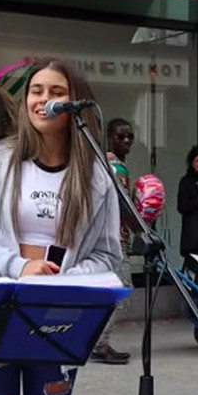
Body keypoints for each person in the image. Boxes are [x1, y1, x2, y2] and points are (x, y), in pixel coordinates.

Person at [0, 57, 122, 395]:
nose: (42, 99)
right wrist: (18, 267)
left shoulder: (96, 176)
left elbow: (107, 256)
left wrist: (67, 279)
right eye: (36, 90)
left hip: (58, 317)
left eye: (56, 92)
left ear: (75, 103)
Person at [90, 118, 134, 365]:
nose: (126, 141)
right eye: (120, 136)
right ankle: (100, 344)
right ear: (109, 138)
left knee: (109, 292)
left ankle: (97, 341)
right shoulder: (115, 167)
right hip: (115, 239)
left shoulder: (105, 163)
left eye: (129, 136)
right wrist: (142, 228)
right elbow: (122, 204)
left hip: (105, 238)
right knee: (121, 290)